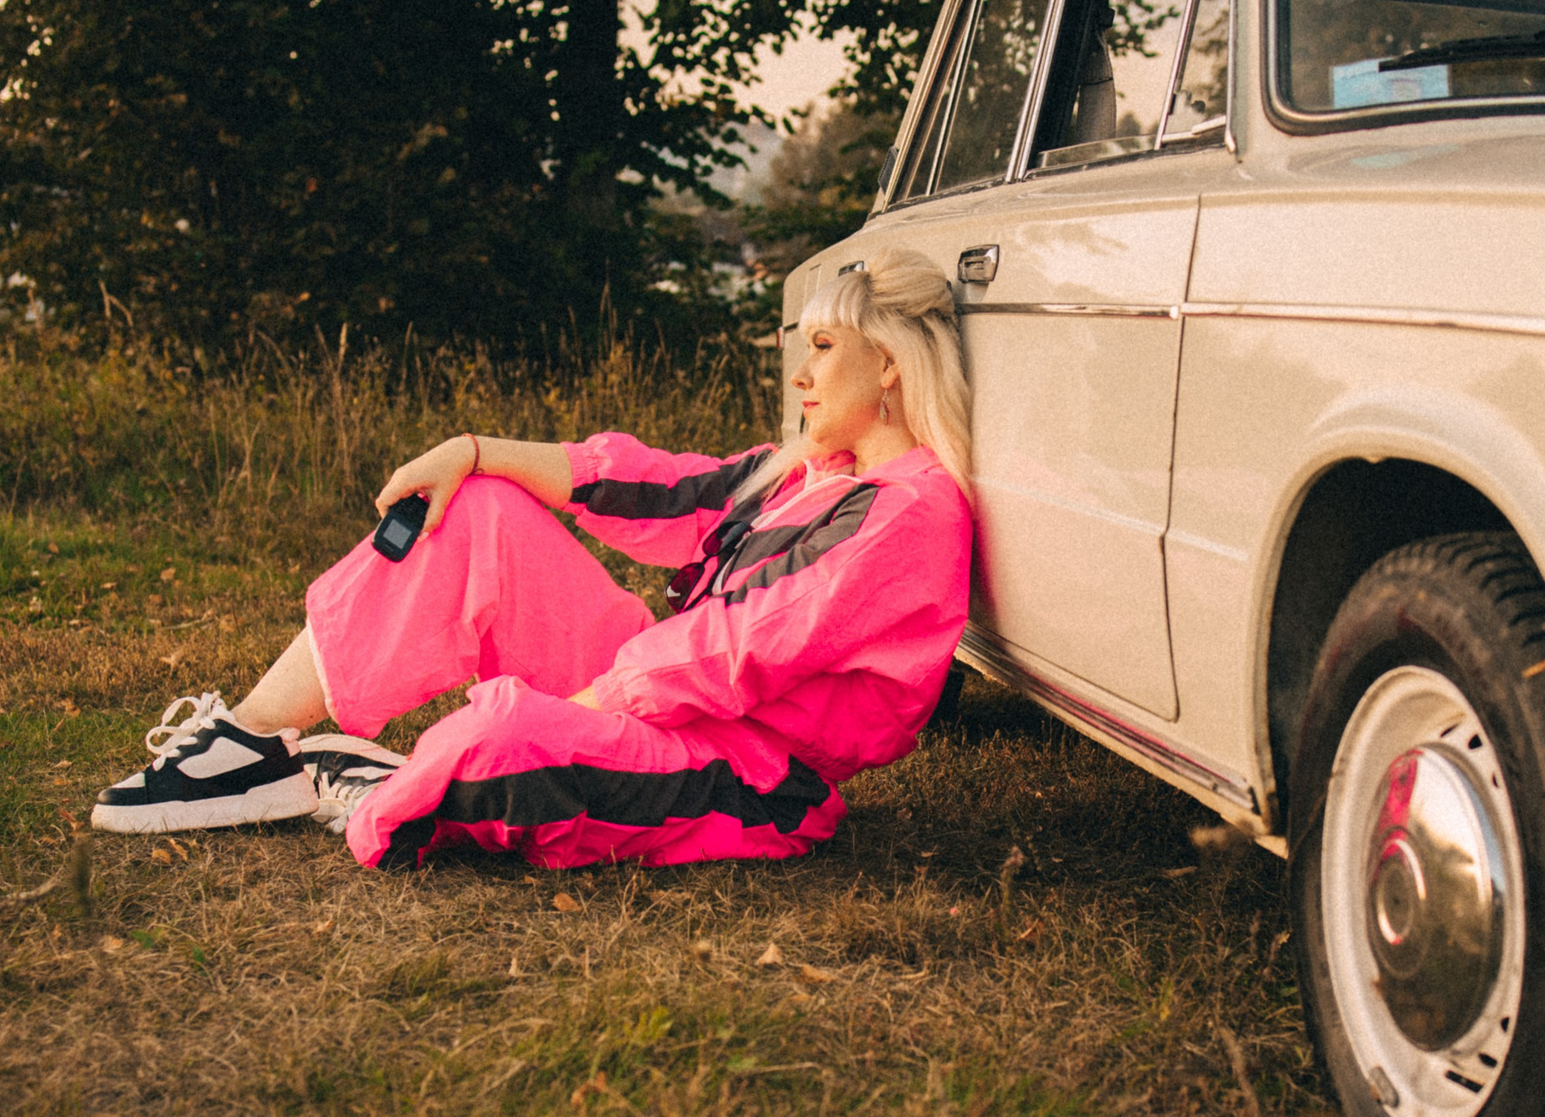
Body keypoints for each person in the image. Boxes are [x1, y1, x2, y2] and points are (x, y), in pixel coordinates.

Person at [90, 247, 975, 873]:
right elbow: (658, 487)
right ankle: (248, 745)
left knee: (502, 740)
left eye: (822, 349)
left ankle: (377, 790)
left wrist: (588, 703)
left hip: (749, 773)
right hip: (667, 700)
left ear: (889, 365)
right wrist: (472, 449)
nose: (800, 376)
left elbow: (741, 649)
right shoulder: (806, 475)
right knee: (472, 511)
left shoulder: (909, 513)